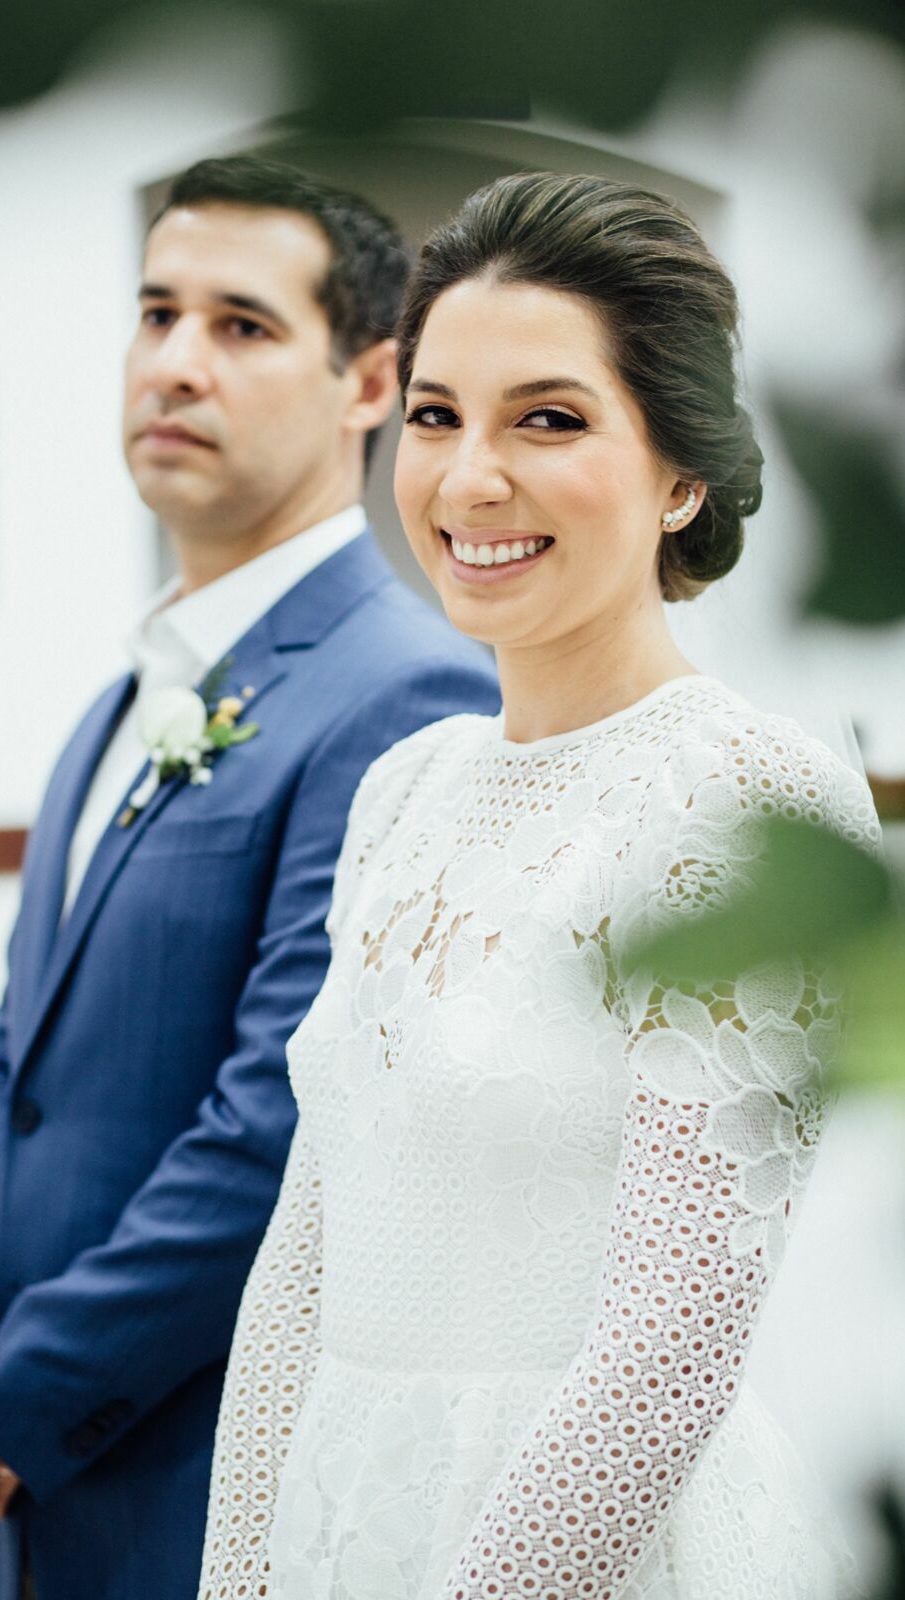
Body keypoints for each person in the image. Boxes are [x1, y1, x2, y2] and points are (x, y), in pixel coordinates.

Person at [196, 172, 881, 1599]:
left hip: (591, 1548)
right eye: (435, 416)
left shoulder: (747, 797)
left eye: (548, 420)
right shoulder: (405, 789)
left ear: (681, 474)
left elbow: (665, 1357)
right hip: (345, 1523)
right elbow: (302, 1254)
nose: (468, 480)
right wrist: (240, 1574)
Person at [0, 155, 499, 1600]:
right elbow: (11, 1048)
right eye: (157, 314)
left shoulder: (405, 695)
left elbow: (280, 1130)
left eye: (243, 325)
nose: (175, 363)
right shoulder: (122, 702)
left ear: (368, 383)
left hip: (206, 1484)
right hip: (47, 1487)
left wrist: (8, 1402)